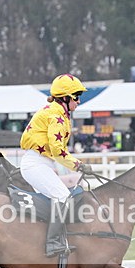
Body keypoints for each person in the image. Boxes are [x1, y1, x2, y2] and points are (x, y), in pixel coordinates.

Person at [20, 73, 92, 257]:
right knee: (63, 197)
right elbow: (57, 150)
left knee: (57, 199)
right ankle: (52, 244)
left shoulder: (57, 112)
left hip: (40, 164)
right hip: (35, 164)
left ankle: (52, 238)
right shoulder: (56, 115)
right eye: (76, 97)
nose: (79, 101)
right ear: (65, 98)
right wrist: (79, 165)